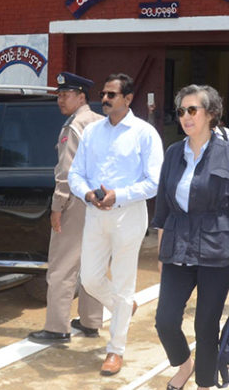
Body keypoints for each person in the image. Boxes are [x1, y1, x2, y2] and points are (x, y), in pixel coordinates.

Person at [152, 85, 229, 390]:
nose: (185, 116)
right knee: (166, 320)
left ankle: (205, 384)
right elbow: (162, 207)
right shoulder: (173, 153)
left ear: (211, 114)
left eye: (192, 110)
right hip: (177, 246)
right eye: (181, 111)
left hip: (216, 250)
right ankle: (185, 365)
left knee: (206, 325)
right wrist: (161, 251)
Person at [68, 73, 164, 376]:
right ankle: (123, 306)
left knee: (124, 281)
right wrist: (86, 193)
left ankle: (115, 350)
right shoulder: (93, 131)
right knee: (90, 279)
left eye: (111, 94)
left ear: (128, 98)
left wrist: (118, 195)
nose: (105, 99)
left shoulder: (145, 133)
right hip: (95, 212)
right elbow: (75, 173)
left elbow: (155, 182)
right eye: (104, 93)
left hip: (128, 214)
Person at [28, 72, 105, 345]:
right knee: (92, 263)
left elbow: (66, 173)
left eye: (66, 94)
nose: (60, 99)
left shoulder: (74, 127)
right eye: (59, 94)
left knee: (62, 267)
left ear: (81, 96)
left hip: (74, 203)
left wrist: (57, 206)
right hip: (99, 203)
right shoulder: (100, 122)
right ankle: (91, 321)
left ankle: (57, 328)